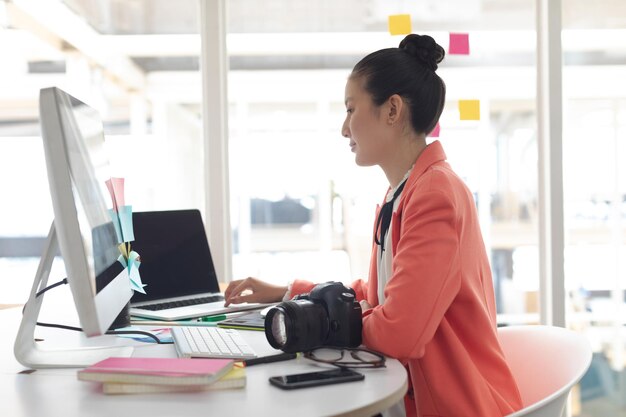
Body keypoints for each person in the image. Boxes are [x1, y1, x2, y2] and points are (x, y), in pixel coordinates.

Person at [224, 34, 523, 417]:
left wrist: (325, 319)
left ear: (392, 110)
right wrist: (288, 292)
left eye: (351, 110)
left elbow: (400, 331)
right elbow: (381, 293)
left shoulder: (435, 194)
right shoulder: (400, 192)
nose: (345, 129)